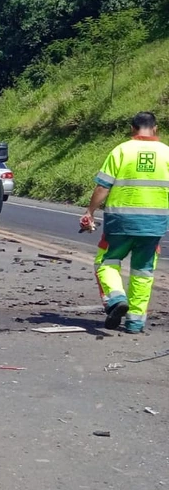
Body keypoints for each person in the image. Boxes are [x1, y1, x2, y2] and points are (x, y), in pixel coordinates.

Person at [80, 112, 169, 334]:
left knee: (106, 262)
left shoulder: (121, 150)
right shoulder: (166, 153)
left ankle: (116, 298)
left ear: (132, 129)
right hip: (154, 225)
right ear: (155, 129)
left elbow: (103, 187)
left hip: (121, 223)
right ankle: (135, 322)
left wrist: (90, 212)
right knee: (143, 272)